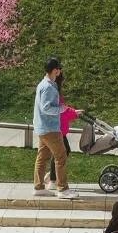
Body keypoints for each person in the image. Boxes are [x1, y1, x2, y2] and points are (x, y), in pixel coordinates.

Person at [33, 56, 79, 199]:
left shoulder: (43, 84)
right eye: (59, 68)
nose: (60, 71)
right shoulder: (48, 87)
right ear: (54, 70)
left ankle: (39, 187)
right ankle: (63, 189)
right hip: (50, 128)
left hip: (42, 128)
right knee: (61, 156)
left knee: (43, 157)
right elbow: (46, 108)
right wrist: (61, 108)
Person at [48, 72, 79, 188]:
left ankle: (52, 176)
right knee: (60, 153)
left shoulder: (56, 93)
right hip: (57, 129)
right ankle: (52, 179)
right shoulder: (55, 93)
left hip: (59, 129)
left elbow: (63, 109)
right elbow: (61, 111)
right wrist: (74, 113)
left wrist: (74, 112)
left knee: (63, 151)